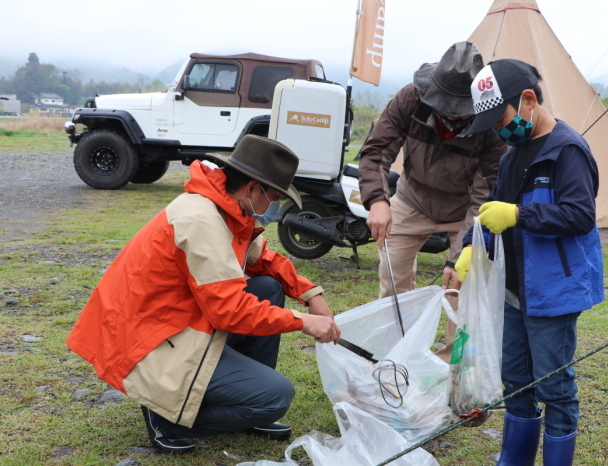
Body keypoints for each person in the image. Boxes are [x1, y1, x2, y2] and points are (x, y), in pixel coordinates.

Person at [66, 135, 341, 453]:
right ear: (252, 189)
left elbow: (262, 258)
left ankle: (237, 403)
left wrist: (310, 295)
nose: (274, 206)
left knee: (267, 287)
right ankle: (166, 418)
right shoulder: (201, 220)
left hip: (179, 320)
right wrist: (304, 322)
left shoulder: (228, 208)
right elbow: (231, 311)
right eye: (275, 197)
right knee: (276, 397)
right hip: (149, 339)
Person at [456, 59, 604, 465]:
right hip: (514, 289)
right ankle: (514, 459)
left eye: (501, 119)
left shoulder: (567, 150)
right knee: (516, 381)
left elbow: (580, 215)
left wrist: (520, 216)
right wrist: (472, 244)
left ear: (528, 100)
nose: (500, 131)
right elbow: (493, 209)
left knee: (554, 385)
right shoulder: (511, 155)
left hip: (553, 291)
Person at [358, 41, 507, 361]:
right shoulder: (410, 99)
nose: (452, 112)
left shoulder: (490, 124)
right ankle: (400, 359)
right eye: (446, 103)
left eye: (460, 106)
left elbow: (488, 193)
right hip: (411, 199)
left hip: (464, 208)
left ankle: (452, 371)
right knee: (392, 281)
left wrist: (461, 252)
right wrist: (377, 201)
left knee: (461, 286)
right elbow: (376, 152)